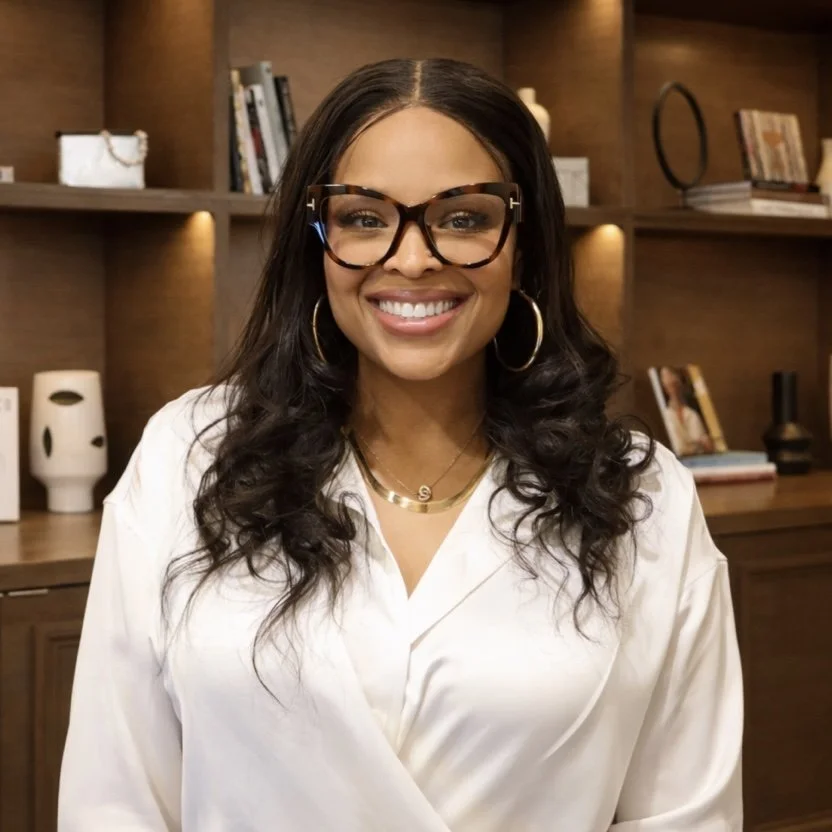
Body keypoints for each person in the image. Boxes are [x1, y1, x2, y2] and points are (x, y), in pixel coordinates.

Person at [58, 58, 743, 831]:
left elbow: (686, 814)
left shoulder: (644, 499)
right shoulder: (188, 457)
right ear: (315, 245)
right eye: (363, 218)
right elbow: (113, 798)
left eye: (463, 218)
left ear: (525, 245)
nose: (412, 259)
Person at [659, 366, 715, 456]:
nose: (671, 381)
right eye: (667, 379)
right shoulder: (665, 415)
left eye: (674, 381)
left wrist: (707, 445)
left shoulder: (692, 414)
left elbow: (706, 446)